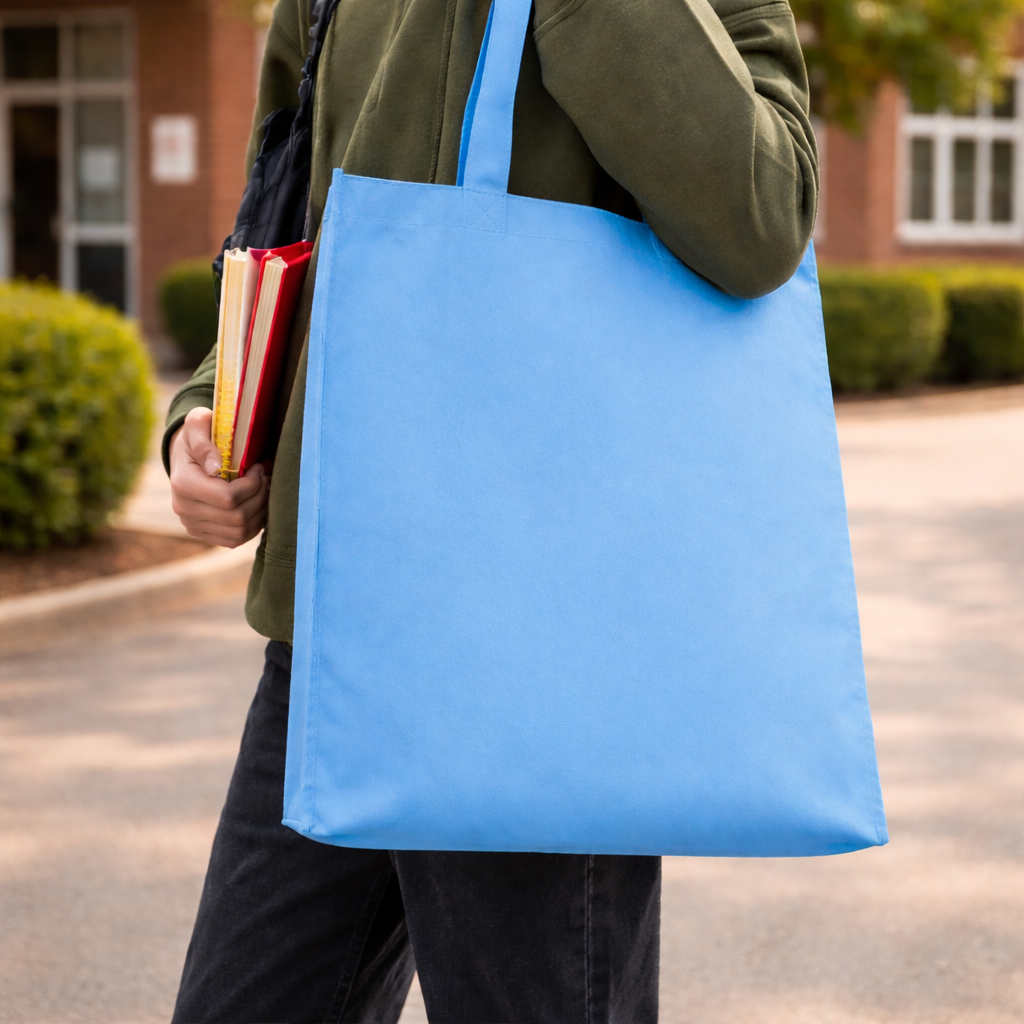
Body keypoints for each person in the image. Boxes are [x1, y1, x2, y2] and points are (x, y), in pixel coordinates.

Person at [166, 1, 818, 1020]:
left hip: (538, 643)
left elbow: (762, 223)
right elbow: (288, 211)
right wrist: (214, 407)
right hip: (335, 626)